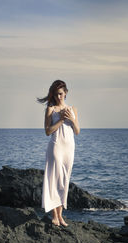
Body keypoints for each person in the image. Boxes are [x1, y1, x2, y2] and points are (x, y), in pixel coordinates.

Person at [37, 80, 80, 226]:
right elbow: (47, 131)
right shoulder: (51, 109)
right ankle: (54, 215)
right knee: (54, 180)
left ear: (66, 93)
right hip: (56, 147)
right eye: (56, 94)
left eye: (61, 94)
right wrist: (61, 119)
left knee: (64, 181)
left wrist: (71, 120)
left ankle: (61, 215)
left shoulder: (72, 109)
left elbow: (77, 131)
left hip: (69, 148)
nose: (59, 97)